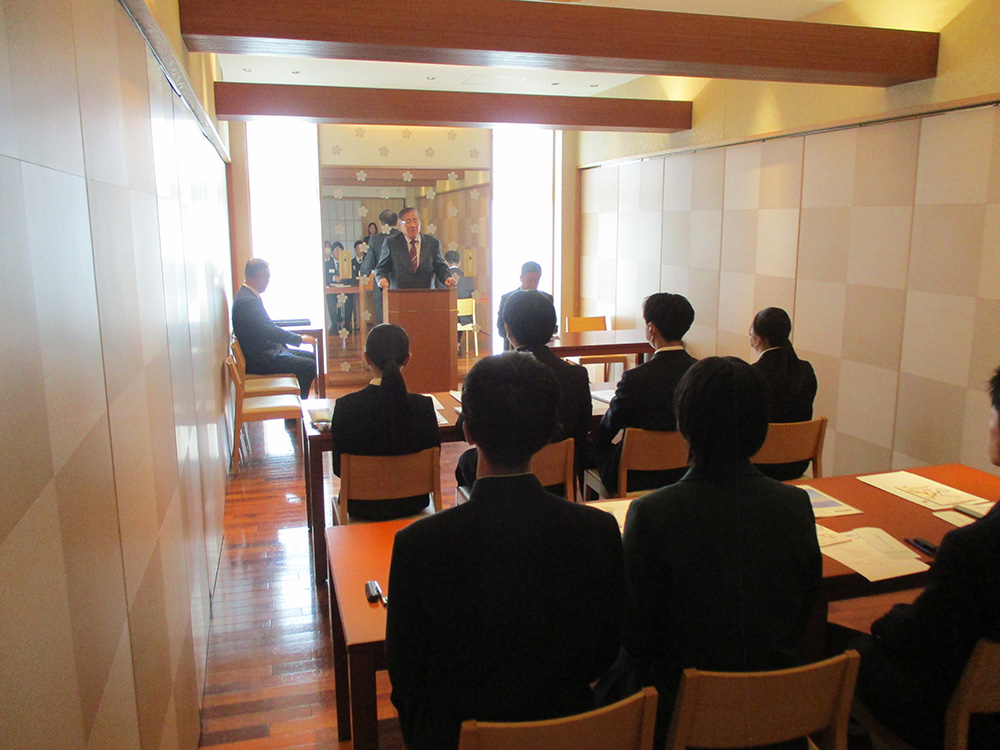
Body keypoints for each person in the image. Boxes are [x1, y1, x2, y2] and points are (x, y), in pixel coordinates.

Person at [386, 352, 625, 750]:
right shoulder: (598, 531)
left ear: (468, 432)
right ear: (547, 432)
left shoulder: (418, 544)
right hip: (569, 733)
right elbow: (605, 652)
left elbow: (406, 676)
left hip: (457, 735)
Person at [620, 356, 822, 749]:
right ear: (762, 427)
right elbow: (803, 611)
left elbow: (636, 635)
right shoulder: (795, 505)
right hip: (774, 717)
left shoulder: (653, 513)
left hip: (678, 717)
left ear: (683, 423)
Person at [842, 366, 1000, 750]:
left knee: (838, 647)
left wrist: (887, 619)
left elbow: (918, 640)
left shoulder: (971, 548)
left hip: (956, 716)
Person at [454, 290, 592, 492]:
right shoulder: (577, 375)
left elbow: (464, 428)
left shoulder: (491, 373)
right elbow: (583, 428)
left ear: (508, 330)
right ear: (552, 329)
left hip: (499, 478)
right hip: (557, 480)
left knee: (466, 462)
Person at [329, 324, 441, 520]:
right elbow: (434, 461)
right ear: (407, 359)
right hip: (413, 503)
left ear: (366, 358)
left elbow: (340, 469)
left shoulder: (346, 407)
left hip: (361, 506)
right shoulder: (423, 406)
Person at [591, 293, 697, 495]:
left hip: (635, 477)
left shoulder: (635, 378)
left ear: (651, 328)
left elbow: (608, 429)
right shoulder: (700, 372)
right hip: (686, 471)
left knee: (590, 450)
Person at [749, 306, 818, 480]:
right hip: (797, 462)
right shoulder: (805, 370)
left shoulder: (751, 374)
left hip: (759, 465)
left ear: (758, 339)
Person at [232, 258, 317, 398]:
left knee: (310, 357)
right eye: (268, 276)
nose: (268, 280)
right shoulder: (248, 301)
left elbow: (265, 327)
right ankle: (297, 407)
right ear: (260, 275)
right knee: (308, 366)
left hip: (264, 351)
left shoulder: (246, 295)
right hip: (260, 359)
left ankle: (296, 404)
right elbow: (268, 330)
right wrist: (299, 339)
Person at [375, 206, 455, 291]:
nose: (413, 225)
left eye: (415, 221)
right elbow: (381, 268)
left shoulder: (432, 243)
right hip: (399, 295)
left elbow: (440, 266)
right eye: (408, 222)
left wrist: (447, 277)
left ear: (420, 223)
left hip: (427, 295)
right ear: (400, 225)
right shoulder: (391, 243)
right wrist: (381, 279)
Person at [496, 261, 553, 350]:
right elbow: (501, 328)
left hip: (539, 347)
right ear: (521, 278)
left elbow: (550, 325)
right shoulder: (507, 298)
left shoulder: (546, 299)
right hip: (513, 348)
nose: (533, 284)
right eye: (529, 280)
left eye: (536, 280)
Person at [361, 209, 400, 323]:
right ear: (397, 222)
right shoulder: (403, 237)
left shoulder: (375, 239)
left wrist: (362, 275)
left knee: (383, 319)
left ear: (381, 223)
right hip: (401, 285)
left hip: (381, 284)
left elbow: (367, 265)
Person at [324, 241, 345, 334]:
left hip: (345, 290)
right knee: (331, 299)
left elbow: (351, 277)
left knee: (350, 299)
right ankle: (334, 324)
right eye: (335, 249)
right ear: (332, 252)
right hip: (333, 290)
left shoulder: (346, 262)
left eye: (339, 249)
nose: (338, 251)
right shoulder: (328, 263)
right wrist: (333, 278)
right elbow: (325, 277)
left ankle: (347, 325)